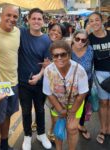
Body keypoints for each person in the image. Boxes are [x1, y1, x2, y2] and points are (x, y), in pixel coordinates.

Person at [43, 40, 89, 150]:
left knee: (72, 128)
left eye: (63, 54)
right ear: (52, 57)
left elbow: (82, 94)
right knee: (58, 128)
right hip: (56, 103)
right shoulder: (49, 70)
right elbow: (49, 93)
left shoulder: (79, 70)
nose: (59, 58)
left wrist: (72, 112)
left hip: (75, 103)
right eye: (55, 55)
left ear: (69, 54)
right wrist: (60, 110)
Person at [18, 8, 52, 150]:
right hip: (23, 83)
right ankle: (27, 136)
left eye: (39, 19)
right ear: (28, 20)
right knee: (26, 111)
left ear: (43, 21)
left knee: (40, 110)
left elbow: (46, 63)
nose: (36, 21)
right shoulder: (20, 34)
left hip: (40, 83)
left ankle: (41, 133)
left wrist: (39, 76)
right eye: (34, 18)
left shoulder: (46, 39)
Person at [0, 4, 20, 150]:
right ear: (1, 15)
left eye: (15, 16)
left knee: (7, 116)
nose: (11, 19)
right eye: (8, 15)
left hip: (13, 82)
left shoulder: (18, 32)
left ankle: (4, 144)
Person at [88, 12, 110, 144]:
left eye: (97, 20)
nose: (95, 23)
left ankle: (109, 128)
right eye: (91, 21)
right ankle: (103, 129)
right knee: (104, 102)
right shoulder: (89, 38)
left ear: (102, 21)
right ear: (89, 23)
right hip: (100, 74)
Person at [71, 29, 93, 140]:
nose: (80, 42)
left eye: (83, 40)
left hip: (86, 83)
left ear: (86, 41)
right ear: (73, 38)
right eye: (77, 39)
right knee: (70, 104)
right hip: (71, 84)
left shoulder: (90, 50)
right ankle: (70, 125)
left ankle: (81, 124)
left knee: (83, 105)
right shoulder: (68, 49)